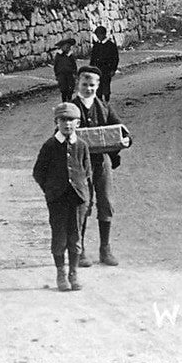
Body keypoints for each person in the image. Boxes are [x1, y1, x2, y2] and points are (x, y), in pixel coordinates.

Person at [32, 102, 92, 292]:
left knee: (75, 236)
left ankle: (73, 273)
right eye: (63, 120)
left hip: (77, 199)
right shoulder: (50, 145)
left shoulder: (81, 145)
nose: (67, 124)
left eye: (71, 120)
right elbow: (38, 172)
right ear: (56, 122)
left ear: (78, 123)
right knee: (59, 236)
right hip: (57, 199)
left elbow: (87, 171)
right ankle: (60, 273)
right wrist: (51, 190)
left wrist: (84, 194)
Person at [70, 65, 124, 267]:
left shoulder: (104, 107)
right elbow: (59, 134)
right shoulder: (70, 108)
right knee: (82, 204)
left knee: (106, 202)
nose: (88, 89)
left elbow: (120, 129)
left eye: (92, 85)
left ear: (98, 85)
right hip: (80, 165)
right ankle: (80, 250)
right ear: (78, 84)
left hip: (101, 162)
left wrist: (125, 140)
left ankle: (105, 249)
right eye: (84, 84)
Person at [89, 26, 120, 102]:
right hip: (97, 69)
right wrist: (91, 68)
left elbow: (115, 58)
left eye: (99, 35)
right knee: (98, 86)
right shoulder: (96, 45)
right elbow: (93, 58)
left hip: (106, 69)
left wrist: (113, 69)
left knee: (106, 85)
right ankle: (100, 101)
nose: (98, 37)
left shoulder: (111, 45)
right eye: (97, 35)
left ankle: (106, 101)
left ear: (103, 34)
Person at [52, 37, 78, 103]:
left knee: (70, 88)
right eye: (66, 47)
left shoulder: (70, 56)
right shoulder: (58, 55)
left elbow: (74, 65)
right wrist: (57, 75)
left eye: (69, 47)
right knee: (63, 89)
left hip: (70, 74)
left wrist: (75, 73)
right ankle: (64, 101)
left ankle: (69, 99)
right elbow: (56, 66)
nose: (68, 49)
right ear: (62, 47)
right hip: (61, 75)